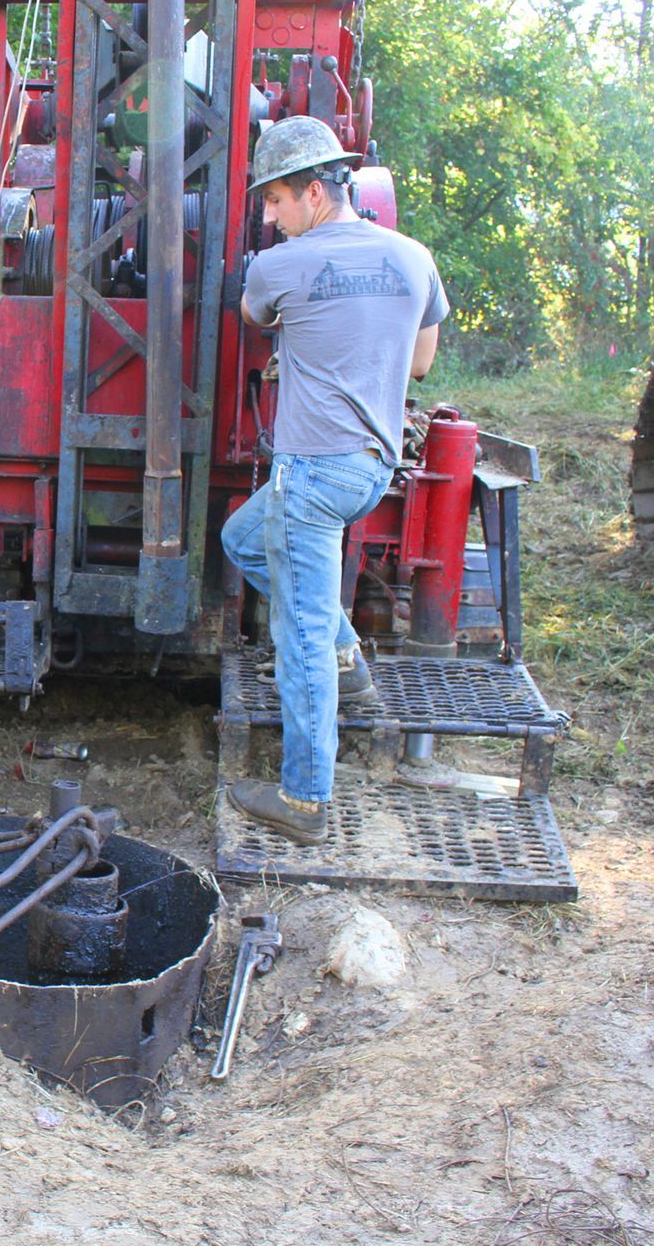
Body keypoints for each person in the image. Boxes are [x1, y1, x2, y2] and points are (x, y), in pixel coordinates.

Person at [220, 116, 446, 845]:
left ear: (314, 193)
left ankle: (306, 799)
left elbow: (252, 317)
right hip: (371, 471)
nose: (267, 217)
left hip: (311, 476)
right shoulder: (414, 258)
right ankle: (348, 653)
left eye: (275, 201)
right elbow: (419, 365)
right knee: (241, 538)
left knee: (301, 634)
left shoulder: (277, 267)